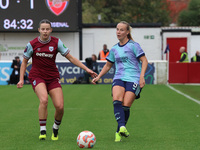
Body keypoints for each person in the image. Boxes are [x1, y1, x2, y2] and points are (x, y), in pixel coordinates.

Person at [17, 19, 97, 141]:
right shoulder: (32, 44)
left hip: (53, 77)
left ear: (51, 30)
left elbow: (71, 58)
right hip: (37, 76)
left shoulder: (56, 42)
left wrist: (87, 69)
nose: (45, 31)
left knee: (59, 107)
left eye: (47, 29)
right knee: (44, 100)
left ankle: (55, 128)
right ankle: (42, 130)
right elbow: (24, 62)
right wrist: (21, 79)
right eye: (42, 29)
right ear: (39, 30)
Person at [92, 21, 148, 142]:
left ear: (127, 32)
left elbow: (144, 61)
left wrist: (142, 76)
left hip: (133, 78)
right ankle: (122, 127)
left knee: (126, 106)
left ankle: (118, 131)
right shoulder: (114, 49)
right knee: (117, 101)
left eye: (122, 30)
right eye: (117, 29)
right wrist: (99, 76)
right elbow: (108, 65)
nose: (118, 32)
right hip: (119, 77)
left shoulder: (134, 45)